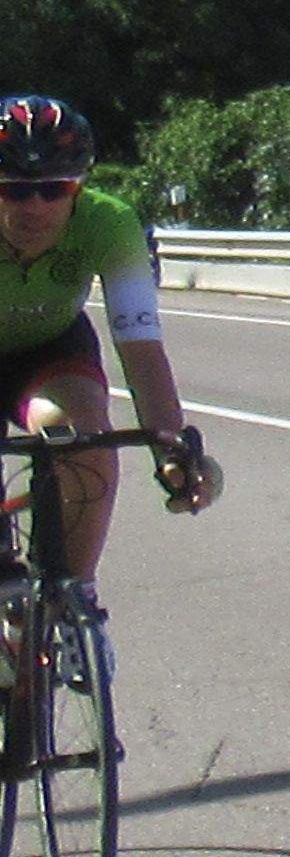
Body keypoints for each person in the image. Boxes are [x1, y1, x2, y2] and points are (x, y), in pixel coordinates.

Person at [0, 95, 215, 602]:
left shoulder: (110, 224)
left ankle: (75, 595)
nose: (35, 207)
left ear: (79, 186)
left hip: (48, 348)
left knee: (84, 437)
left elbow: (140, 349)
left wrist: (172, 447)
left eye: (55, 190)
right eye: (13, 192)